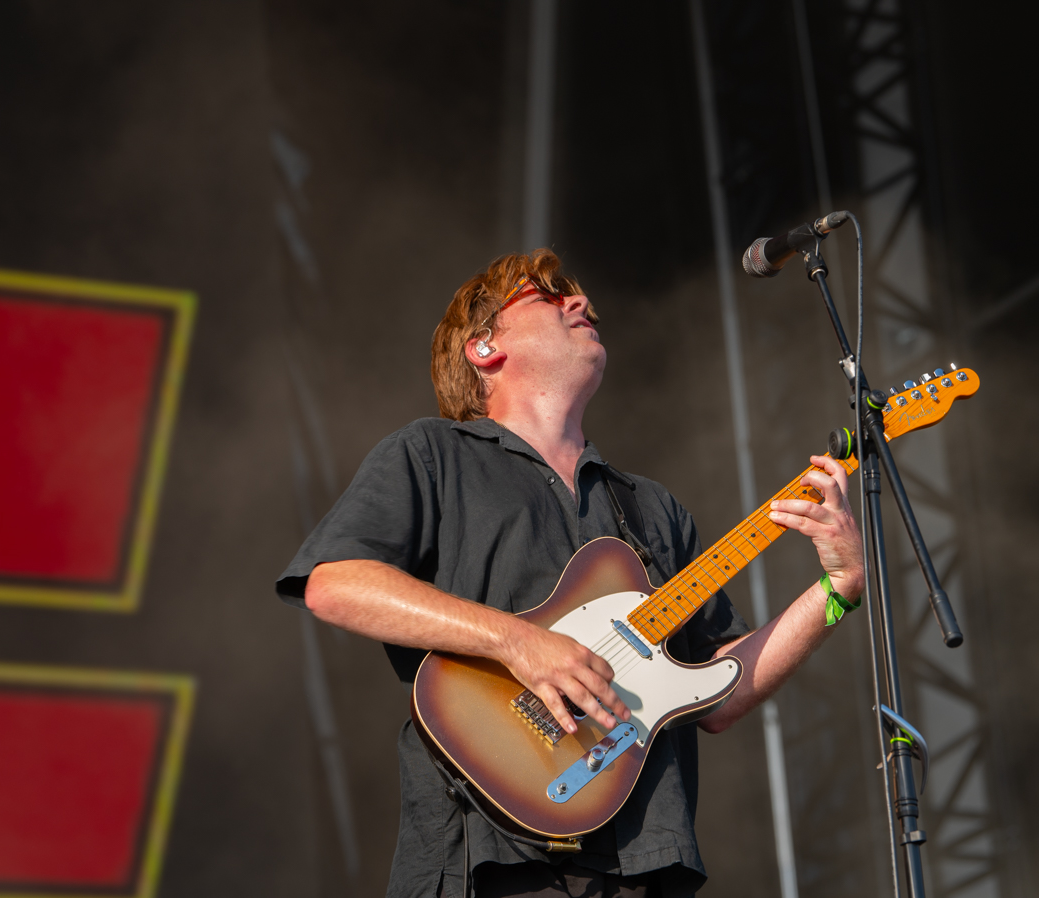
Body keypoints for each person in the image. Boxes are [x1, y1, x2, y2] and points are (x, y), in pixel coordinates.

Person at [275, 250, 864, 898]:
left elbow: (720, 694)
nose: (581, 303)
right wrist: (517, 642)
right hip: (490, 861)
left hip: (644, 862)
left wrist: (838, 591)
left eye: (576, 296)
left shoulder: (651, 507)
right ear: (484, 347)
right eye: (548, 297)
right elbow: (334, 583)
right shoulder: (432, 454)